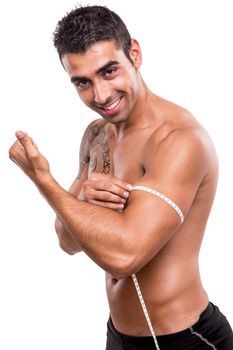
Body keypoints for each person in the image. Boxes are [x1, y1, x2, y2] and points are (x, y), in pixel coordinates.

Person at [9, 5, 233, 350]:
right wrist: (84, 197)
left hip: (184, 339)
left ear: (135, 54)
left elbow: (124, 258)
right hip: (119, 335)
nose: (101, 96)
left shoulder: (178, 141)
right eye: (82, 82)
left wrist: (43, 180)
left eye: (109, 71)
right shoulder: (97, 135)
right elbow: (67, 242)